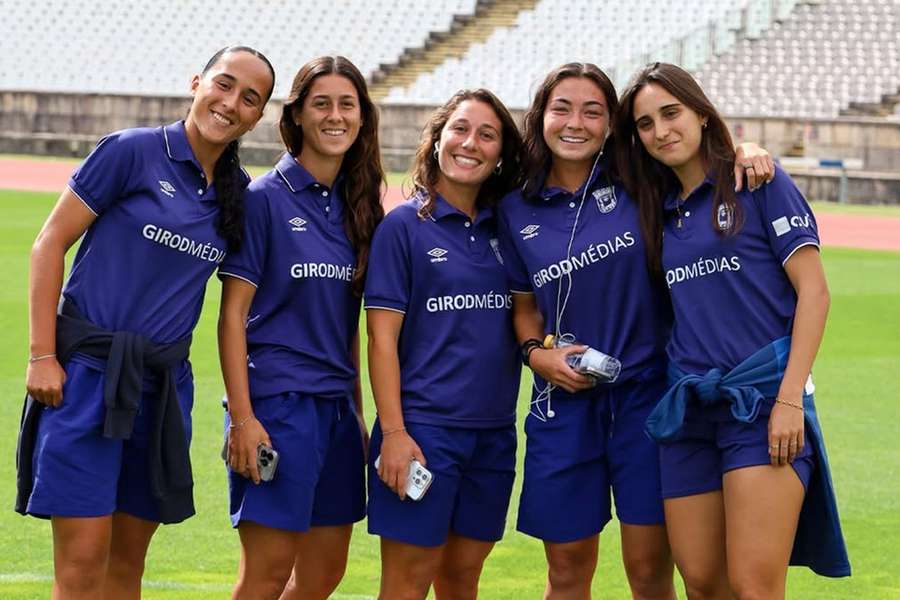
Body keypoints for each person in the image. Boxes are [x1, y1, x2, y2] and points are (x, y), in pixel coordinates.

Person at [495, 62, 774, 600]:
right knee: (567, 571)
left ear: (609, 125)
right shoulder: (514, 206)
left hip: (650, 401)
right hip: (564, 406)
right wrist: (536, 355)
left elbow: (699, 157)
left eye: (592, 111)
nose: (575, 122)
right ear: (541, 116)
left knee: (649, 571)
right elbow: (523, 304)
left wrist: (746, 147)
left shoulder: (640, 179)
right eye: (562, 108)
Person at [17, 46, 275, 599]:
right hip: (86, 380)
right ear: (196, 82)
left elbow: (237, 310)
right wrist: (42, 354)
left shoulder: (240, 197)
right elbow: (49, 243)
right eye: (224, 85)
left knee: (126, 566)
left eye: (249, 98)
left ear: (258, 117)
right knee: (83, 563)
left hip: (161, 393)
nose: (231, 103)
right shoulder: (132, 152)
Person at [615, 61, 850, 599]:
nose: (660, 132)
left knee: (753, 588)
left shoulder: (759, 183)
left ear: (700, 112)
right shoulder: (658, 211)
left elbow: (814, 293)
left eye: (670, 113)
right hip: (689, 410)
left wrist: (790, 398)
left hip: (763, 406)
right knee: (701, 582)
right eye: (645, 124)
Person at [217, 56, 384, 600]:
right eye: (321, 104)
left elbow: (349, 326)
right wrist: (243, 418)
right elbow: (232, 316)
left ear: (362, 118)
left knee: (323, 574)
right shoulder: (265, 198)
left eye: (347, 104)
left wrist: (358, 414)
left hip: (336, 412)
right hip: (278, 407)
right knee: (266, 574)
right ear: (297, 116)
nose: (335, 116)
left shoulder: (359, 208)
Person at [364, 88, 524, 600]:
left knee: (461, 582)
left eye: (487, 134)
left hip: (494, 435)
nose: (470, 143)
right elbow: (380, 339)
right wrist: (393, 433)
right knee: (407, 584)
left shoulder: (510, 227)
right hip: (423, 435)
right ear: (437, 139)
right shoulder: (403, 227)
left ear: (501, 155)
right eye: (459, 128)